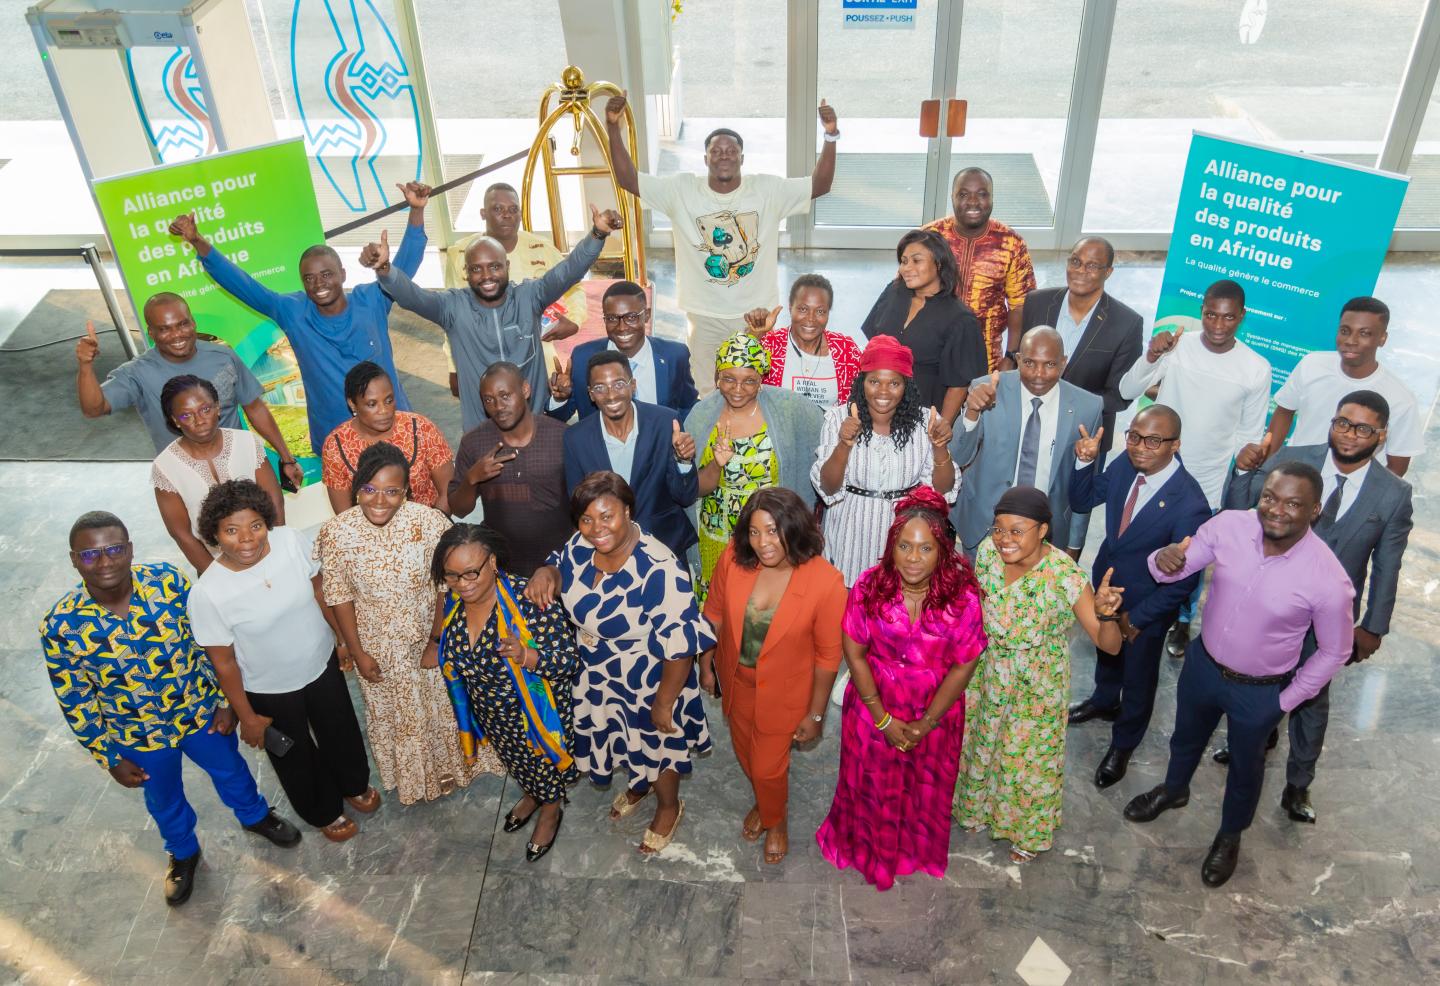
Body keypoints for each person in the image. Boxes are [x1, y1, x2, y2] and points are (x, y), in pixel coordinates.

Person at [41, 511, 301, 907]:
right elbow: (75, 698)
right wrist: (108, 756)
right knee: (162, 798)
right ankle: (182, 852)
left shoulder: (167, 583)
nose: (105, 561)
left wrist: (224, 701)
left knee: (231, 771)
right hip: (138, 735)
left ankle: (255, 816)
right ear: (74, 560)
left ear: (129, 549)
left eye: (113, 549)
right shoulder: (60, 625)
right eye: (90, 555)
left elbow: (206, 643)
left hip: (199, 714)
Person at [1123, 464, 1355, 888]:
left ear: (1315, 510)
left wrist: (1286, 701)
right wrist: (1163, 558)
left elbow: (1335, 650)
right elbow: (1169, 569)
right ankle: (1174, 789)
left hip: (1261, 691)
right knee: (1184, 738)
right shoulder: (1229, 525)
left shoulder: (1329, 579)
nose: (1276, 510)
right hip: (1203, 667)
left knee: (1246, 770)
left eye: (1292, 503)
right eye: (1269, 496)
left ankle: (1230, 836)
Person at [1220, 391, 1412, 822]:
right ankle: (1248, 741)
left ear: (1380, 437)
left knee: (1311, 699)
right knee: (1255, 681)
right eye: (1343, 422)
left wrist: (1373, 626)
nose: (1350, 434)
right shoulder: (1291, 459)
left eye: (1363, 428)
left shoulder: (1393, 493)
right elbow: (1237, 511)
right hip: (1266, 604)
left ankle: (1297, 785)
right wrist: (1245, 469)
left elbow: (1387, 565)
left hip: (1328, 621)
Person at [526, 472, 715, 855]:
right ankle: (640, 783)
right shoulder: (582, 544)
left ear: (627, 511)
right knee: (621, 738)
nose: (597, 528)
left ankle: (667, 805)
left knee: (659, 745)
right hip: (598, 673)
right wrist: (547, 571)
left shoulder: (659, 567)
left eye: (607, 516)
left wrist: (664, 703)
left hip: (650, 678)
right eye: (586, 519)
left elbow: (680, 646)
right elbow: (559, 562)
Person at [168, 182, 432, 454]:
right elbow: (244, 286)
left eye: (327, 274)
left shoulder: (371, 300)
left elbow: (404, 267)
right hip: (338, 439)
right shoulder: (292, 311)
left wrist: (416, 210)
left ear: (343, 274)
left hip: (394, 428)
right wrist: (197, 241)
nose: (319, 283)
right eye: (309, 278)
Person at [605, 91, 839, 388]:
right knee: (707, 390)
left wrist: (831, 135)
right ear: (705, 159)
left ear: (742, 157)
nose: (724, 155)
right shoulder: (682, 190)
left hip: (756, 316)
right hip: (704, 315)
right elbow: (629, 180)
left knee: (755, 387)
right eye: (717, 151)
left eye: (731, 150)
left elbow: (820, 184)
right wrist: (613, 127)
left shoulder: (767, 190)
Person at [815, 488, 986, 891]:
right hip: (873, 710)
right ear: (891, 546)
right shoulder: (868, 588)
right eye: (904, 546)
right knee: (869, 785)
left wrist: (925, 723)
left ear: (942, 550)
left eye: (925, 548)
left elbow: (965, 664)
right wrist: (883, 718)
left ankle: (913, 853)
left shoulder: (963, 598)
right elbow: (854, 654)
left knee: (923, 787)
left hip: (936, 711)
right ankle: (865, 851)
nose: (913, 558)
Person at [188, 479, 377, 843]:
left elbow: (319, 589)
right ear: (214, 534)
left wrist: (340, 639)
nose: (247, 539)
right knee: (295, 756)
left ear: (267, 523)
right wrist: (247, 716)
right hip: (269, 688)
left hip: (320, 663)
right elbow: (224, 663)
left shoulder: (290, 541)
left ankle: (354, 784)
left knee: (341, 730)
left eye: (255, 526)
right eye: (231, 530)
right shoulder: (208, 593)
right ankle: (322, 810)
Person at [315, 443, 502, 806]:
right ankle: (417, 782)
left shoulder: (428, 522)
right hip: (377, 646)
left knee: (440, 706)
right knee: (400, 716)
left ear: (406, 492)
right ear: (356, 488)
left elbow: (445, 589)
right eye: (369, 489)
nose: (379, 500)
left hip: (426, 635)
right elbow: (339, 597)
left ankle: (456, 770)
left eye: (391, 491)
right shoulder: (337, 533)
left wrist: (437, 640)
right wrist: (356, 651)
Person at [953, 486, 1125, 863]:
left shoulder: (1065, 575)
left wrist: (1108, 615)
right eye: (999, 529)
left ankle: (1026, 833)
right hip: (990, 671)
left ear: (1043, 530)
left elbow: (1109, 646)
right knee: (984, 741)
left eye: (1017, 530)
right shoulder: (986, 555)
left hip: (1037, 680)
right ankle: (978, 809)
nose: (1004, 539)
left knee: (1027, 758)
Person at [364, 204, 622, 430]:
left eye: (495, 266)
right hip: (482, 433)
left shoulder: (529, 297)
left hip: (534, 427)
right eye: (476, 269)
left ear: (507, 266)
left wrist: (597, 235)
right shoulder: (453, 307)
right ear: (466, 273)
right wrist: (386, 270)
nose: (486, 276)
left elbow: (567, 272)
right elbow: (413, 297)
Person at [1117, 279, 1269, 656]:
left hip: (1207, 481)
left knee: (1189, 558)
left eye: (1229, 317)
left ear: (1242, 317)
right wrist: (1152, 356)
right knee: (1141, 545)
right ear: (1202, 310)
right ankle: (1128, 609)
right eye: (1211, 315)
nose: (1218, 325)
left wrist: (1252, 459)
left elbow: (1247, 434)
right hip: (1154, 469)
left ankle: (1181, 621)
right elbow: (1126, 390)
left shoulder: (1255, 368)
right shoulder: (1176, 346)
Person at [699, 488, 847, 864]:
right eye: (754, 531)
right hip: (737, 682)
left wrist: (815, 714)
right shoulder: (734, 560)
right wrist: (706, 662)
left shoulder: (825, 582)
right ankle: (767, 804)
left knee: (767, 767)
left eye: (772, 531)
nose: (763, 543)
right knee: (748, 756)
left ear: (794, 528)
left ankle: (775, 821)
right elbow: (713, 612)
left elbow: (829, 656)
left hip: (786, 694)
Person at [1066, 406, 1210, 787]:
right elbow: (1082, 501)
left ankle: (1123, 743)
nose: (1140, 447)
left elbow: (1182, 583)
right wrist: (1084, 462)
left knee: (1140, 674)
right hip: (1106, 588)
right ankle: (1103, 699)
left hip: (1148, 605)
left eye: (1153, 440)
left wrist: (1137, 619)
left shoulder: (1191, 503)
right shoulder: (1125, 465)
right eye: (1133, 436)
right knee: (1105, 649)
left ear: (1175, 445)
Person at [432, 524, 581, 861]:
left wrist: (527, 656)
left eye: (472, 573)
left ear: (493, 562)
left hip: (534, 721)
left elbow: (568, 662)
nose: (464, 584)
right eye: (452, 575)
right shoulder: (454, 603)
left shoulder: (529, 602)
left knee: (542, 767)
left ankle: (550, 809)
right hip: (492, 716)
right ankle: (533, 794)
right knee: (518, 765)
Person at [74, 296, 301, 480]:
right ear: (151, 333)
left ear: (193, 322)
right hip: (187, 478)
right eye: (165, 329)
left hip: (241, 469)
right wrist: (85, 366)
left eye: (183, 324)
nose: (177, 335)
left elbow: (255, 407)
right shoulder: (137, 373)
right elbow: (94, 408)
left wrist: (286, 457)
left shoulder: (224, 356)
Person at [683, 332, 824, 600]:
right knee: (720, 614)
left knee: (764, 612)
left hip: (770, 540)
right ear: (717, 378)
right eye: (728, 379)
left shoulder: (791, 410)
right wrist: (715, 463)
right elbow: (693, 489)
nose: (738, 389)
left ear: (761, 381)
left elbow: (819, 453)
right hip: (717, 539)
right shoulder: (701, 417)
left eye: (749, 381)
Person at [812, 334, 958, 586]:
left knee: (895, 614)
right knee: (848, 608)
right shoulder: (838, 418)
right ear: (862, 383)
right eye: (874, 381)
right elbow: (827, 488)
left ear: (906, 386)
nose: (883, 391)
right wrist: (844, 446)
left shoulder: (925, 421)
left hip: (904, 535)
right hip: (850, 531)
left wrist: (940, 448)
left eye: (894, 383)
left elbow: (943, 491)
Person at [950, 327, 1102, 556]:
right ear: (1018, 359)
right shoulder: (987, 388)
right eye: (1029, 363)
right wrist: (971, 412)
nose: (1038, 373)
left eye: (1049, 364)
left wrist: (1074, 544)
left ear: (1063, 363)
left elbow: (1082, 488)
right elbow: (958, 456)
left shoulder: (1088, 407)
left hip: (1044, 536)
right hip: (983, 527)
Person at [1239, 297, 1422, 478]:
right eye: (1345, 331)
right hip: (1293, 481)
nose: (1351, 340)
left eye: (1364, 333)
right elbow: (1284, 410)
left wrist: (1366, 502)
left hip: (1344, 494)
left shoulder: (1401, 399)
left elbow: (1397, 467)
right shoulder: (1312, 364)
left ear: (1382, 338)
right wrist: (1268, 468)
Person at [562, 351, 700, 561]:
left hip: (665, 547)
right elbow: (578, 507)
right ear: (590, 394)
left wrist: (683, 461)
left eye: (618, 384)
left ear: (632, 385)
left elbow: (685, 496)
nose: (611, 395)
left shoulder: (665, 422)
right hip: (608, 553)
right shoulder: (576, 438)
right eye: (600, 388)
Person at [1021, 237, 1143, 456]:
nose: (1080, 270)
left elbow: (1120, 395)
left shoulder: (1127, 323)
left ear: (1108, 272)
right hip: (1029, 422)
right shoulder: (1036, 303)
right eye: (1075, 262)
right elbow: (1021, 360)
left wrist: (1066, 406)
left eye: (1093, 266)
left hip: (1084, 437)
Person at [152, 374, 286, 573]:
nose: (199, 421)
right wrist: (218, 577)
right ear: (174, 420)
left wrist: (276, 552)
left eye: (205, 409)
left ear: (217, 408)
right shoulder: (165, 466)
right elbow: (181, 534)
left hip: (264, 549)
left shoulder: (246, 442)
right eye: (186, 415)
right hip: (215, 562)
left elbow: (274, 500)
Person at [448, 362, 571, 575]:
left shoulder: (562, 436)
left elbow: (585, 503)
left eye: (505, 396)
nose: (498, 406)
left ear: (525, 390)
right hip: (504, 567)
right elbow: (459, 509)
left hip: (560, 565)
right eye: (489, 400)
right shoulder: (474, 442)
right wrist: (471, 479)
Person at [858, 229, 988, 420]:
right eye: (903, 261)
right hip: (878, 408)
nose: (906, 268)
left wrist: (940, 427)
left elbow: (959, 385)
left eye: (916, 260)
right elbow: (873, 347)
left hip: (923, 415)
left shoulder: (960, 319)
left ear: (939, 263)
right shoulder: (893, 293)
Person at [922, 167, 1038, 370]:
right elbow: (903, 291)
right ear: (952, 197)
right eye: (964, 194)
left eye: (982, 194)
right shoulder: (929, 237)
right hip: (930, 351)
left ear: (992, 198)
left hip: (985, 357)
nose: (973, 202)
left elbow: (1020, 306)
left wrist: (1011, 356)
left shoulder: (1011, 243)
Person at [549, 280, 699, 421]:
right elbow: (559, 418)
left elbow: (688, 407)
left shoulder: (674, 355)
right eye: (612, 318)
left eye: (631, 317)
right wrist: (560, 399)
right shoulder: (584, 358)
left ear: (646, 315)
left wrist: (682, 439)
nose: (622, 327)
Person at [320, 361, 453, 515]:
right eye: (372, 404)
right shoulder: (336, 447)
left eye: (389, 400)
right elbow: (345, 516)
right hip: (371, 536)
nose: (384, 411)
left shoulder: (421, 428)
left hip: (431, 525)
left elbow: (448, 492)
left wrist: (430, 529)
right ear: (353, 404)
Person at [745, 273, 862, 409]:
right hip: (779, 429)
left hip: (832, 430)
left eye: (820, 311)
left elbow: (864, 397)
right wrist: (754, 335)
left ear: (828, 313)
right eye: (803, 309)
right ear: (790, 308)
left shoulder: (845, 350)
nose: (810, 318)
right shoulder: (770, 346)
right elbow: (727, 380)